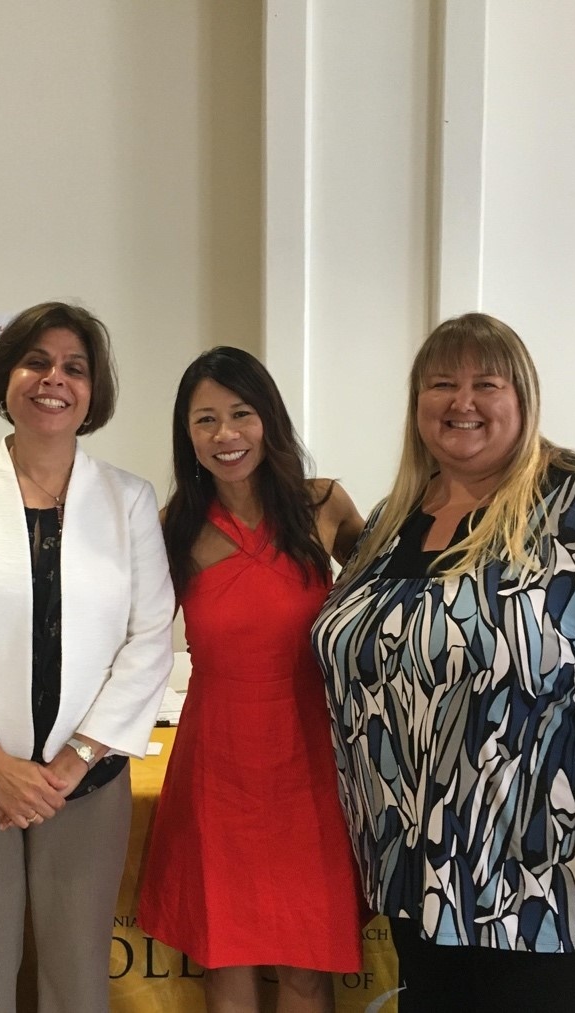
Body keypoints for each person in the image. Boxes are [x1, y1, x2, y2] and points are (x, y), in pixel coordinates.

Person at [311, 313, 575, 1012]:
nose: (461, 402)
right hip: (417, 874)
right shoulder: (390, 522)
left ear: (521, 397)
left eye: (484, 383)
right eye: (440, 384)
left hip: (553, 875)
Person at [0, 301, 174, 1013]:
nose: (54, 379)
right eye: (36, 361)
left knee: (77, 974)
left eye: (74, 367)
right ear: (7, 377)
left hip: (84, 778)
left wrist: (71, 761)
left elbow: (149, 637)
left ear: (93, 390)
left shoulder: (129, 499)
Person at [137, 346, 364, 1013]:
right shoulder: (171, 529)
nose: (225, 434)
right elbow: (129, 641)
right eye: (205, 419)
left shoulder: (322, 504)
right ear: (187, 435)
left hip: (309, 762)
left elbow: (386, 601)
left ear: (269, 417)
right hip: (218, 763)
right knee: (225, 960)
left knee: (305, 964)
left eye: (240, 413)